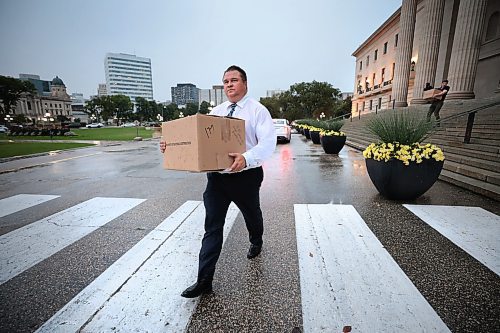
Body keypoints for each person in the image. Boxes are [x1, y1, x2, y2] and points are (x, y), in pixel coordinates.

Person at [159, 65, 276, 298]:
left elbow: (268, 143)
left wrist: (246, 157)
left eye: (234, 80)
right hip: (217, 179)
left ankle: (256, 240)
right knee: (212, 227)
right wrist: (169, 145)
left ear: (245, 83)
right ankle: (204, 280)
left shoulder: (257, 111)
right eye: (225, 81)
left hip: (246, 177)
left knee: (252, 214)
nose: (229, 85)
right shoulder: (217, 110)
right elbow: (197, 140)